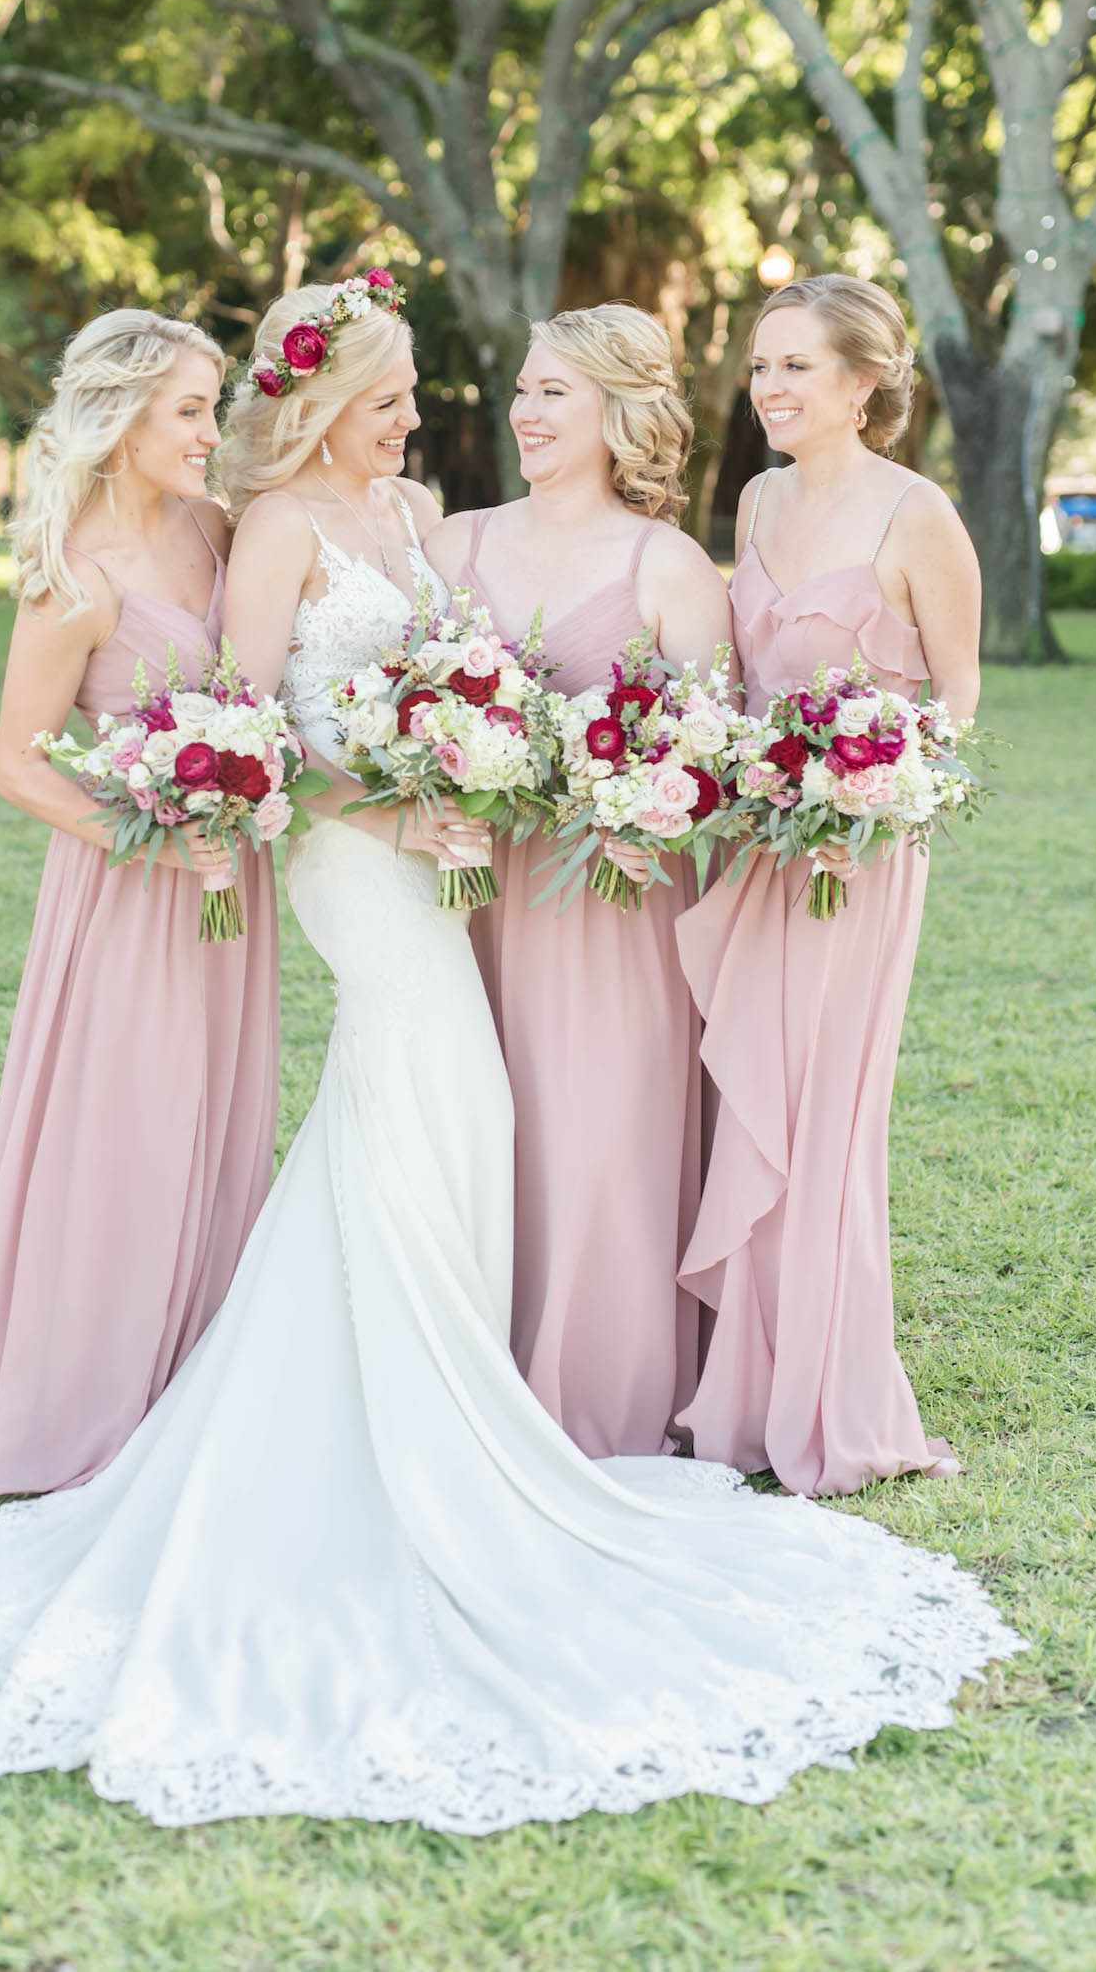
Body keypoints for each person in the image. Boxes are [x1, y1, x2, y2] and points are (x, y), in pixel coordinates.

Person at [0, 274, 1017, 1837]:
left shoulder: (418, 518)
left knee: (443, 1111)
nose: (430, 413)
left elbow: (491, 669)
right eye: (399, 390)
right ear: (335, 396)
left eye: (426, 393)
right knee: (443, 1089)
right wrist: (392, 800)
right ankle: (406, 1402)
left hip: (448, 845)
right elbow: (262, 716)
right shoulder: (276, 527)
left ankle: (446, 1375)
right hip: (368, 858)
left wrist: (473, 758)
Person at [0, 312, 279, 1501]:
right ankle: (88, 1390)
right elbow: (18, 764)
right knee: (127, 1127)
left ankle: (194, 1368)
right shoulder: (73, 578)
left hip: (230, 880)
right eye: (190, 410)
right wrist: (153, 833)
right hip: (131, 889)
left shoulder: (219, 526)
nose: (211, 430)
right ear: (122, 417)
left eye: (212, 405)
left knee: (221, 1117)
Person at [673, 273, 982, 1496]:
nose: (770, 389)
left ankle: (825, 1390)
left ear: (864, 383)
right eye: (759, 367)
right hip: (757, 842)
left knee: (824, 1114)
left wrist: (877, 800)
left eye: (795, 367)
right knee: (748, 1093)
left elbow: (955, 700)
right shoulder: (753, 499)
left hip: (856, 858)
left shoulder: (918, 516)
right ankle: (741, 1386)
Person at [426, 305, 732, 1457]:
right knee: (477, 1128)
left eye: (552, 393)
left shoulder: (666, 564)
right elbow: (402, 710)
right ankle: (472, 1368)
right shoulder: (452, 545)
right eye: (521, 390)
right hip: (473, 899)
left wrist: (646, 809)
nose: (523, 413)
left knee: (599, 1138)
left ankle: (594, 1397)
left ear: (617, 409)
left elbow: (713, 750)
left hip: (613, 902)